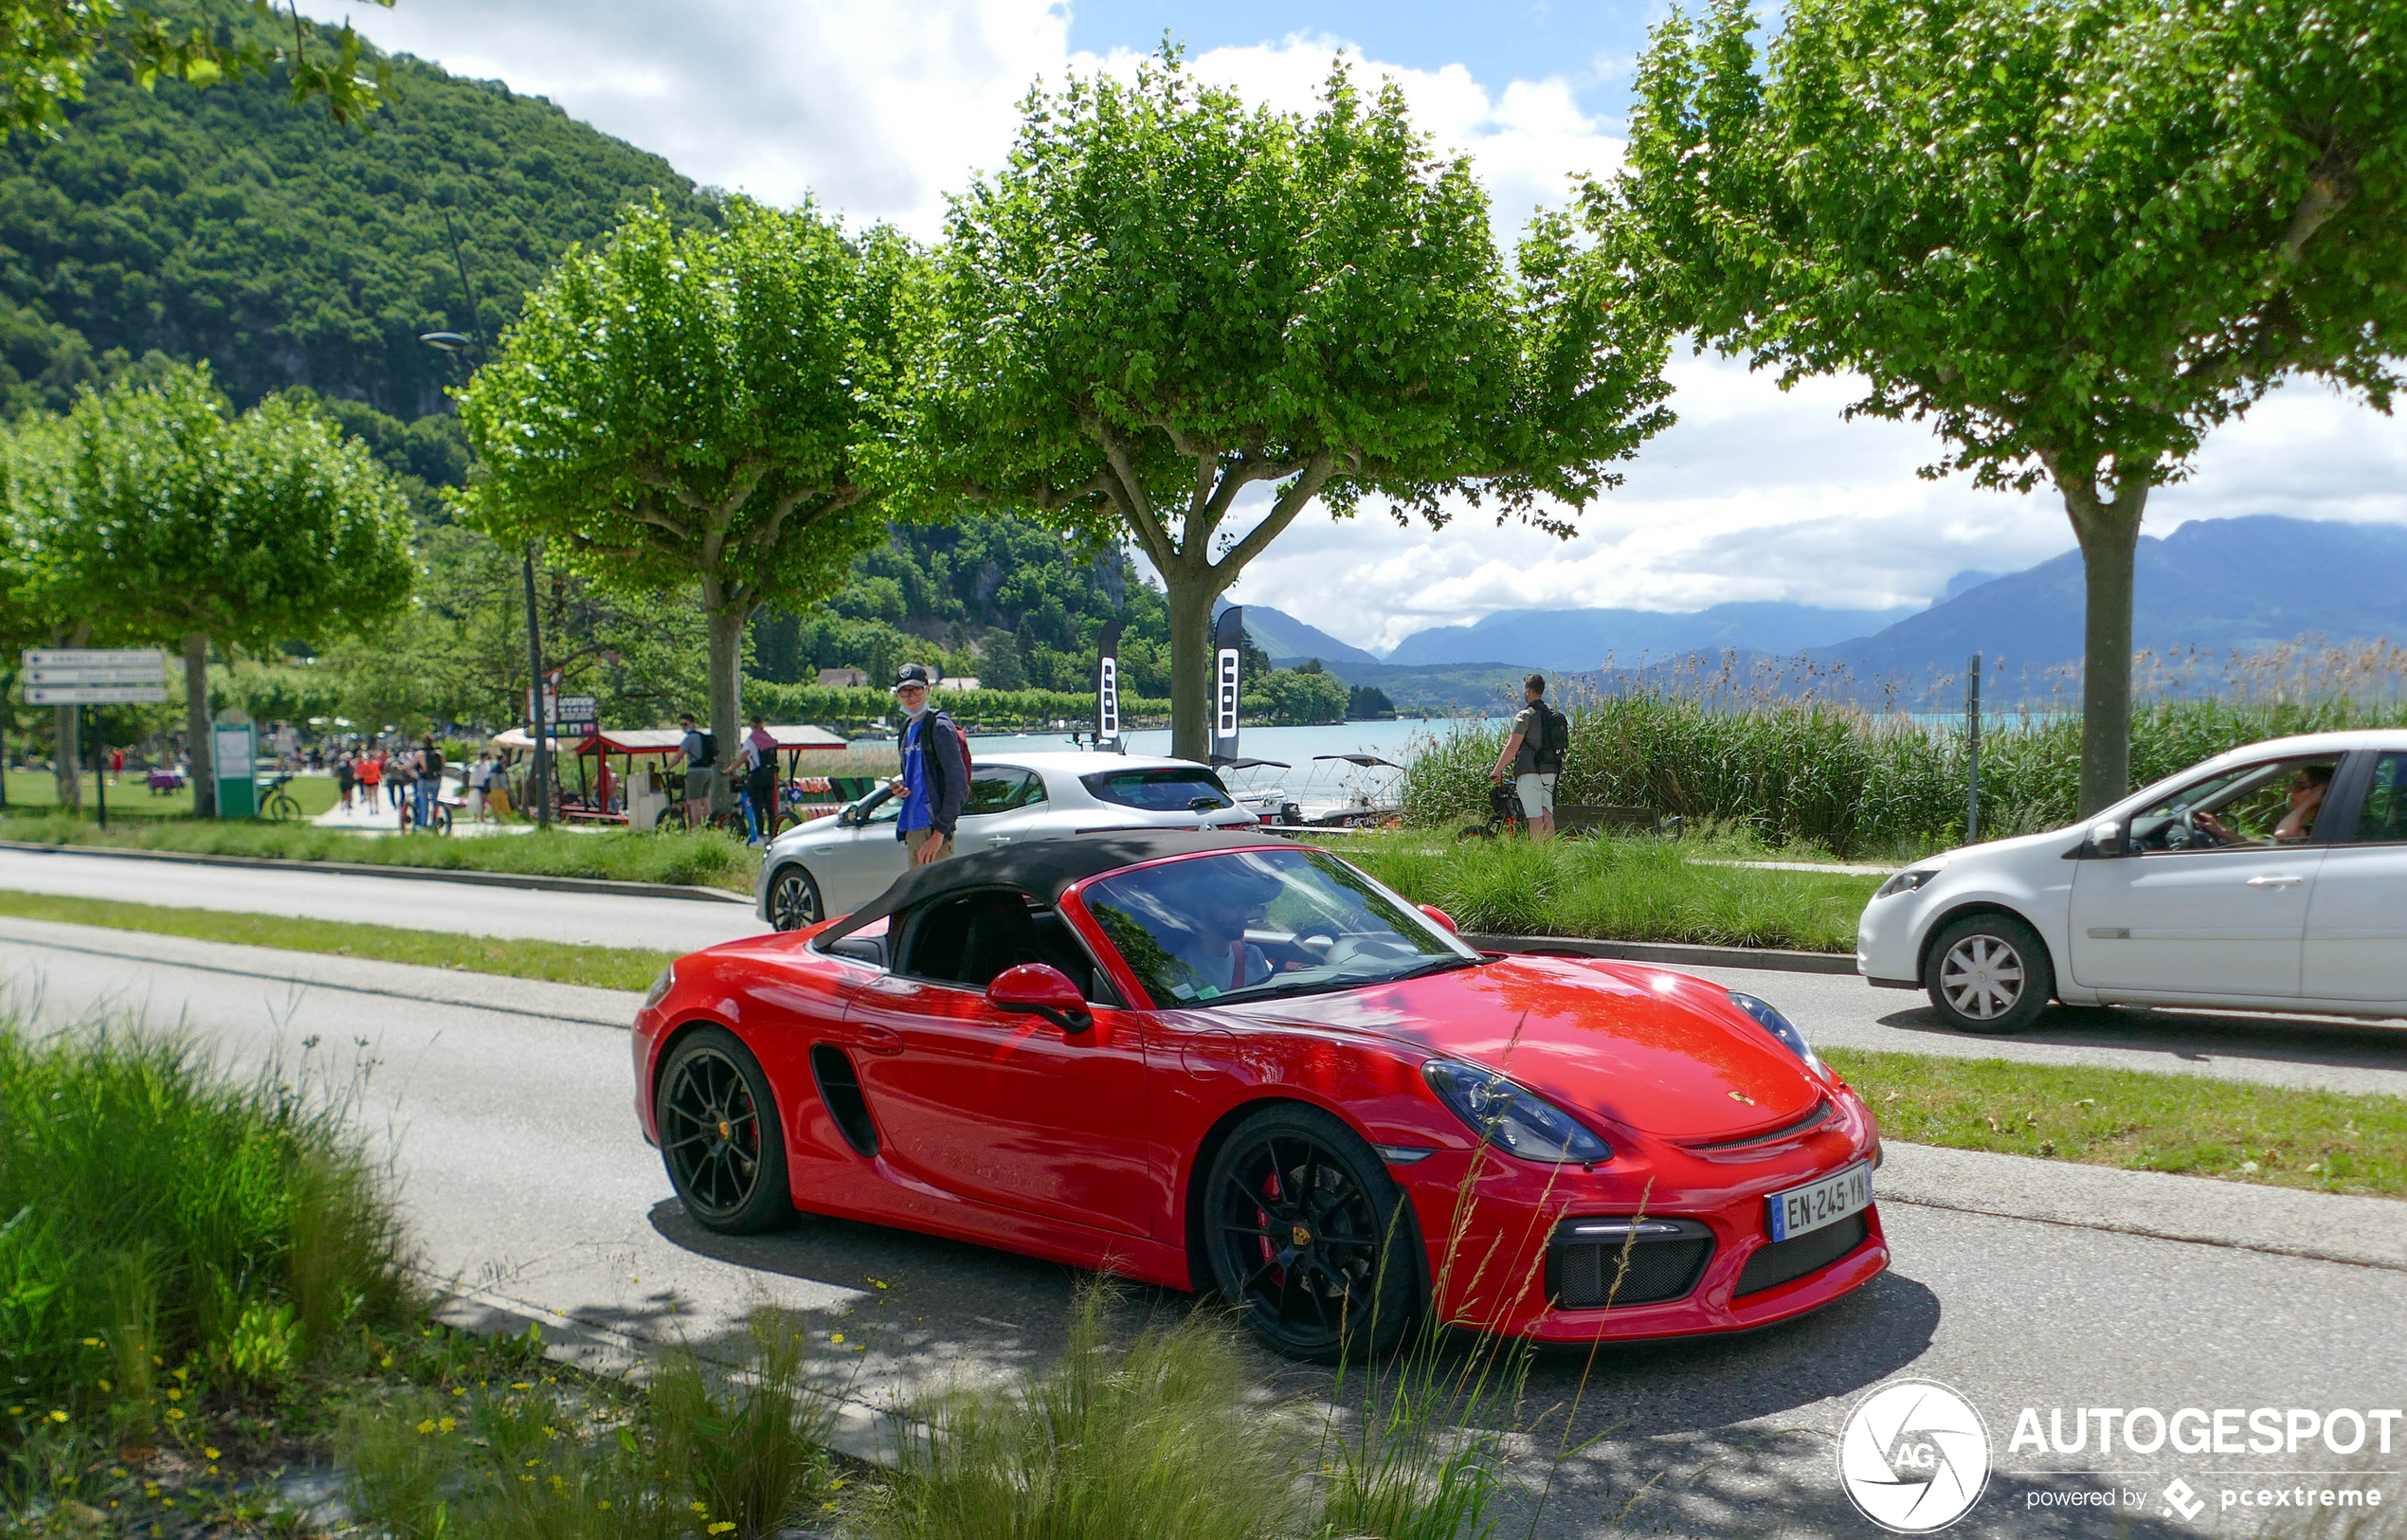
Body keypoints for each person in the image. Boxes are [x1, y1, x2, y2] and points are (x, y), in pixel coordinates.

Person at [892, 663, 967, 865]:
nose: (911, 696)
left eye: (916, 689)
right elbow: (919, 778)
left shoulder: (939, 727)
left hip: (932, 831)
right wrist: (901, 788)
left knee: (936, 895)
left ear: (928, 689)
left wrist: (939, 834)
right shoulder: (906, 729)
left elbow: (958, 786)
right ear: (897, 695)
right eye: (904, 691)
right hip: (912, 829)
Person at [1489, 673, 1565, 841]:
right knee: (1547, 814)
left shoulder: (1525, 716)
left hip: (1529, 772)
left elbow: (1512, 747)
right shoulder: (1551, 715)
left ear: (1528, 691)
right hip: (1550, 771)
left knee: (1535, 816)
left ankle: (1537, 856)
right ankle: (1550, 854)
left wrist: (1497, 771)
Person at [2196, 763, 2333, 845]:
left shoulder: (2331, 828)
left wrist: (2309, 802)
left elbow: (2282, 834)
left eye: (2299, 786)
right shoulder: (2315, 827)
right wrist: (2221, 832)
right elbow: (2270, 847)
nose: (2289, 790)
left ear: (2321, 792)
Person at [739, 714, 780, 844]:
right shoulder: (769, 738)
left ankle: (760, 836)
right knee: (770, 807)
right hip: (770, 776)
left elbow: (743, 757)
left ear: (751, 725)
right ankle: (773, 834)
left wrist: (729, 769)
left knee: (757, 807)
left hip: (756, 776)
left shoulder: (751, 740)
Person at [678, 714, 715, 828]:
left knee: (694, 802)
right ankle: (709, 825)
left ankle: (696, 828)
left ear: (692, 723)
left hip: (695, 772)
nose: (683, 727)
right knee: (705, 800)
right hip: (708, 771)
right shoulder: (703, 737)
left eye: (685, 724)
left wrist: (667, 768)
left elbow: (678, 756)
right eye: (681, 725)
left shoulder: (689, 738)